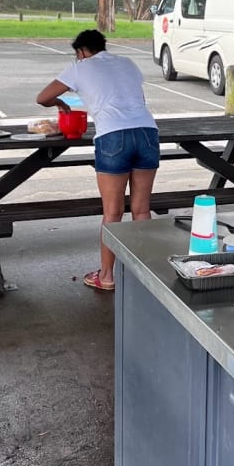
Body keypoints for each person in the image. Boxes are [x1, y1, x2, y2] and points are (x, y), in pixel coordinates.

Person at [36, 29, 159, 292]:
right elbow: (139, 99)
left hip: (113, 135)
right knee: (141, 210)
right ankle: (147, 279)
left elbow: (42, 97)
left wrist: (60, 102)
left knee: (113, 212)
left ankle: (106, 276)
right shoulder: (127, 63)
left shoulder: (79, 68)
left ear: (81, 52)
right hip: (148, 132)